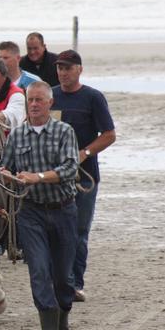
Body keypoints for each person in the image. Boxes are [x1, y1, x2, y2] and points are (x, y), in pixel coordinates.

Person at [0, 81, 79, 330]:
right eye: (30, 100)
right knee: (39, 270)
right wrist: (6, 175)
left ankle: (63, 315)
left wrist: (38, 177)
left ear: (49, 103)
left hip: (64, 210)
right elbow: (4, 166)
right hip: (30, 213)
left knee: (63, 275)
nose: (33, 105)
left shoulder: (65, 132)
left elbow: (69, 169)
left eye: (38, 100)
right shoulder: (17, 135)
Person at [51, 49, 116, 303]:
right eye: (59, 68)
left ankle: (75, 283)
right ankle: (58, 280)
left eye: (67, 68)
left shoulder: (92, 98)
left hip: (84, 177)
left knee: (78, 230)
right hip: (53, 175)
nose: (63, 72)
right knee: (54, 229)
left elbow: (109, 134)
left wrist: (85, 152)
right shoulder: (50, 96)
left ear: (79, 69)